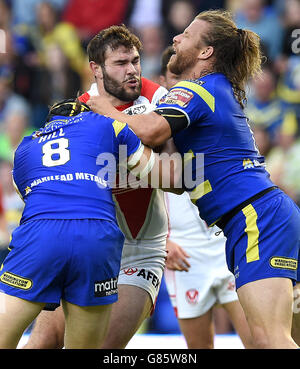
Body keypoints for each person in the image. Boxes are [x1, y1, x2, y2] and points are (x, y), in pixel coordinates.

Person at [87, 10, 300, 349]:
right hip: (256, 218)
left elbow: (153, 129)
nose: (176, 38)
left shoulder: (198, 90)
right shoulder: (213, 89)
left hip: (254, 217)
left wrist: (105, 109)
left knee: (268, 340)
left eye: (185, 35)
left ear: (205, 52)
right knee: (276, 338)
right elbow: (175, 175)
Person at [24, 25, 169, 349]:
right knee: (42, 340)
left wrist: (107, 114)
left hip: (141, 250)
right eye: (120, 63)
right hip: (89, 245)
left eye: (135, 60)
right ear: (96, 69)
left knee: (103, 348)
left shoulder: (157, 97)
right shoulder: (78, 110)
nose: (131, 70)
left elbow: (174, 161)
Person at [0, 98, 179, 349]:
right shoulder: (107, 125)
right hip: (97, 234)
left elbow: (26, 195)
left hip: (41, 234)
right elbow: (169, 179)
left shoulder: (25, 146)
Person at [159, 45, 253, 348]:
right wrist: (162, 241)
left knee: (258, 340)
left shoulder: (214, 115)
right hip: (184, 251)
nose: (180, 84)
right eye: (174, 77)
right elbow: (139, 193)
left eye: (184, 76)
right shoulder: (151, 132)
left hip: (224, 241)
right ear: (162, 82)